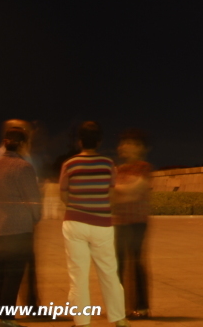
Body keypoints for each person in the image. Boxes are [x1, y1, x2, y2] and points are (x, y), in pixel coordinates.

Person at [59, 122, 130, 327]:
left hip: (75, 222)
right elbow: (110, 194)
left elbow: (63, 194)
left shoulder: (70, 164)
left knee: (78, 274)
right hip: (102, 224)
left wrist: (78, 206)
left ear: (80, 141)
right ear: (99, 142)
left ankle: (82, 322)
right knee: (108, 271)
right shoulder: (107, 164)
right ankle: (118, 318)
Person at [0, 119, 40, 307]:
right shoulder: (23, 166)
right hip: (17, 228)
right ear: (22, 143)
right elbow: (33, 200)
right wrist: (36, 217)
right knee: (13, 274)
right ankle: (6, 316)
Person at [114, 129, 151, 319]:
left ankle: (142, 307)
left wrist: (118, 190)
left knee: (136, 264)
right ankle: (119, 307)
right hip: (119, 223)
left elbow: (135, 191)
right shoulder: (119, 169)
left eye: (127, 143)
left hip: (137, 223)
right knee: (118, 265)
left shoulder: (143, 168)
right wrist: (122, 191)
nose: (122, 147)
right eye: (122, 144)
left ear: (138, 147)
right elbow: (114, 195)